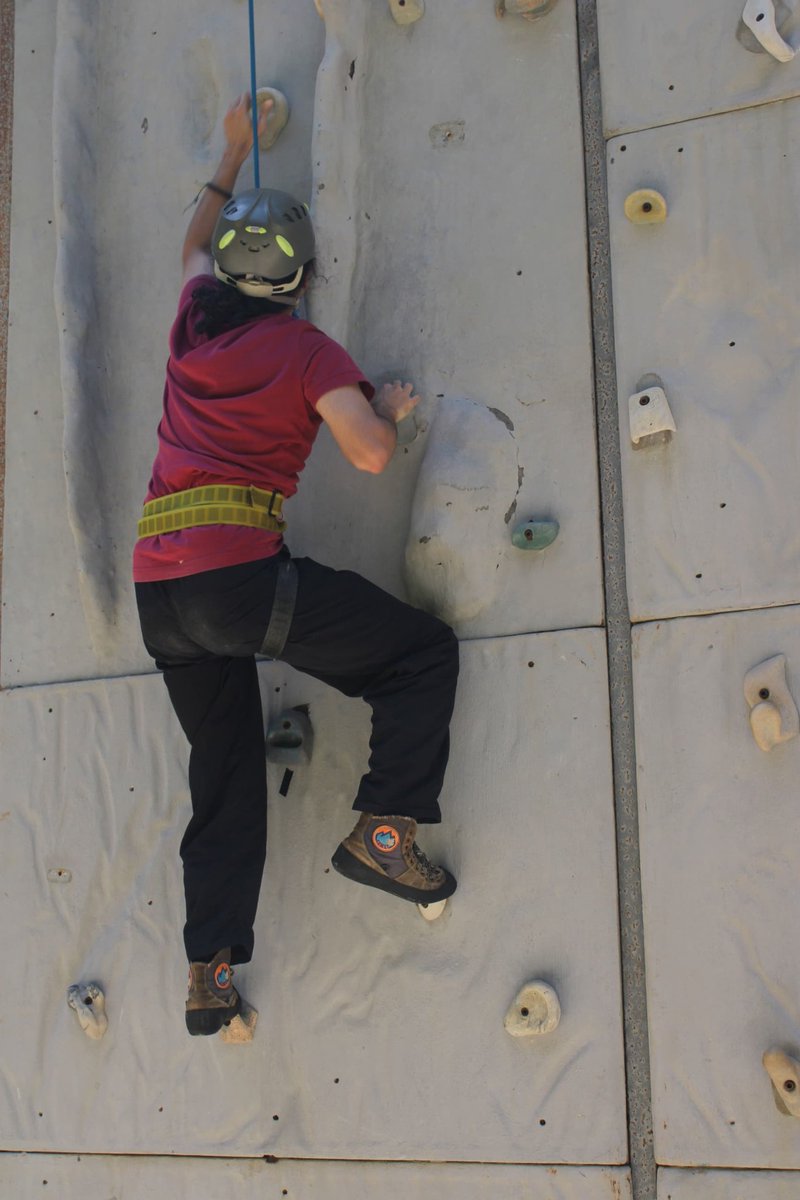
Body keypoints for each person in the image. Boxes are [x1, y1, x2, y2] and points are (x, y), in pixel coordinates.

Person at [133, 94, 459, 1036]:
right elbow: (363, 454)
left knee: (225, 774)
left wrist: (232, 152)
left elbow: (193, 245)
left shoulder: (194, 318)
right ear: (304, 279)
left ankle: (210, 974)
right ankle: (386, 831)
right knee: (421, 655)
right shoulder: (308, 349)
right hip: (239, 583)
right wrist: (386, 408)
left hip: (161, 591)